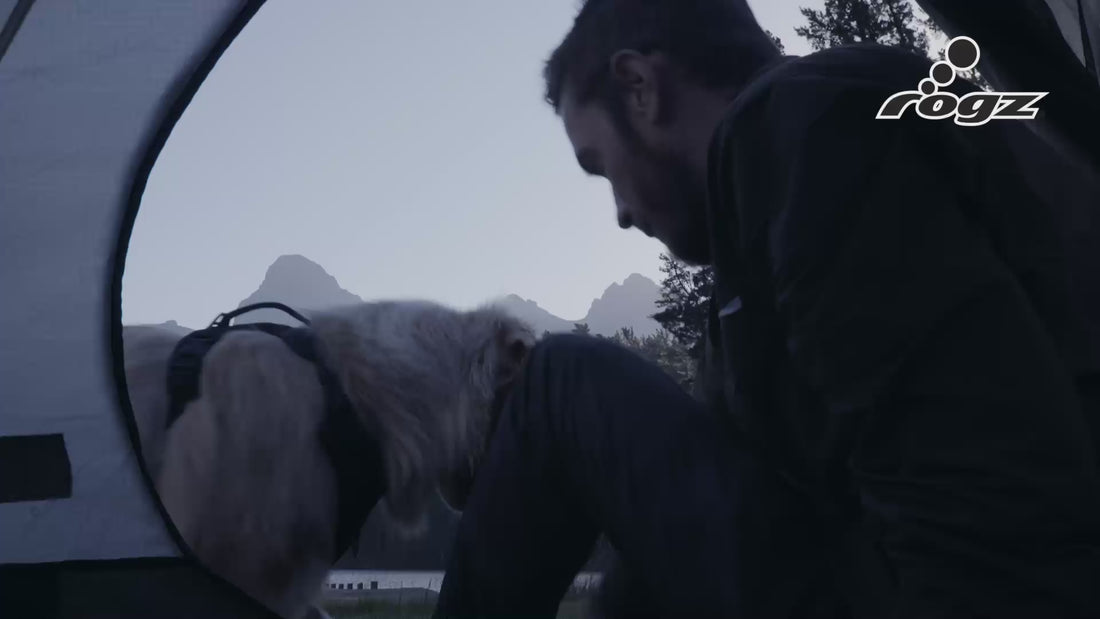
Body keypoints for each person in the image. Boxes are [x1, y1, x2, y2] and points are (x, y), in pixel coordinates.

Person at [432, 1, 1100, 617]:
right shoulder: (787, 200)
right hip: (917, 569)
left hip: (987, 590)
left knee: (557, 386)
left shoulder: (806, 125)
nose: (622, 214)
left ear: (639, 87)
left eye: (601, 166)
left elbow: (987, 513)